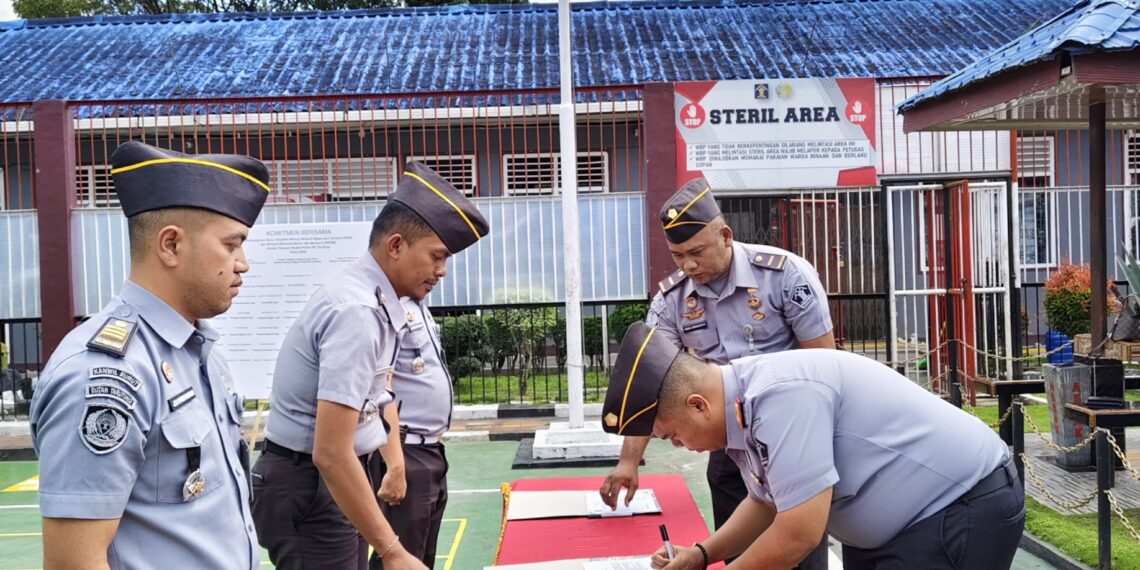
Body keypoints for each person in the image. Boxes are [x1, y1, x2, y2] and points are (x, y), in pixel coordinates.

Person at [601, 322, 1025, 569]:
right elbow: (766, 501)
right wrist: (701, 554)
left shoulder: (779, 396)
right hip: (902, 530)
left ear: (698, 406)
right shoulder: (740, 401)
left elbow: (798, 533)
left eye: (671, 434)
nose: (677, 445)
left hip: (957, 510)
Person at [29, 141, 271, 569]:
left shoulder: (201, 352)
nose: (244, 264)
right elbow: (74, 563)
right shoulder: (104, 373)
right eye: (232, 246)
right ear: (171, 245)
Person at [252, 161, 489, 570]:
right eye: (436, 256)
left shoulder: (378, 302)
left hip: (325, 482)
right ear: (395, 246)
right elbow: (329, 453)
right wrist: (394, 552)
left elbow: (373, 400)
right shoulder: (358, 313)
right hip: (314, 484)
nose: (442, 271)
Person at [600, 177, 835, 567]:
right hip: (729, 442)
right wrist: (629, 461)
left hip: (793, 436)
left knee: (800, 545)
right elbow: (651, 381)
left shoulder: (785, 276)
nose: (689, 265)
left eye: (697, 252)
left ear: (725, 235)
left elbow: (826, 366)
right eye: (678, 256)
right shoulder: (672, 301)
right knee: (740, 551)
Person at [367, 293, 452, 570]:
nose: (440, 271)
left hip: (430, 449)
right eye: (434, 258)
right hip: (407, 449)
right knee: (400, 555)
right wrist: (395, 463)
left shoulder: (418, 308)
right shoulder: (388, 309)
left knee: (422, 555)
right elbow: (381, 386)